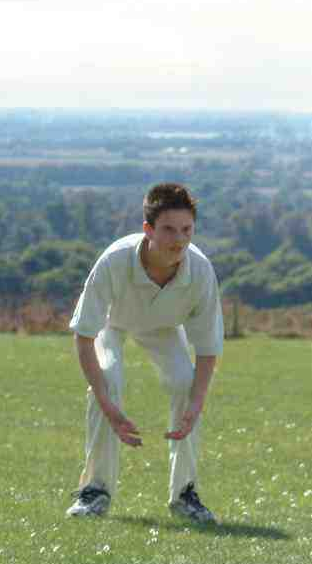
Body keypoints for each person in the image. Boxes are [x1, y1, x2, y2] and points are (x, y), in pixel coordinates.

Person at [66, 182, 225, 524]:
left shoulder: (200, 271)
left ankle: (184, 495)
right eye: (168, 229)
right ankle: (95, 491)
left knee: (186, 384)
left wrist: (196, 404)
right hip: (113, 322)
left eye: (187, 230)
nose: (179, 239)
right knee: (107, 379)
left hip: (164, 328)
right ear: (148, 229)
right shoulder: (113, 260)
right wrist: (109, 407)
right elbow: (83, 336)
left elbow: (209, 348)